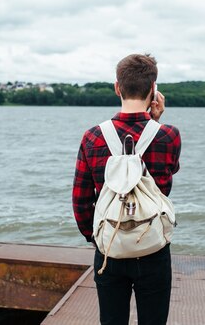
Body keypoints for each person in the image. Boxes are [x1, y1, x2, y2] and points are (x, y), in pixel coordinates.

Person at [72, 53, 181, 325]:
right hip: (152, 245)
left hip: (109, 247)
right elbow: (166, 181)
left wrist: (95, 237)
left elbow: (81, 200)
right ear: (153, 89)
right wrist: (155, 121)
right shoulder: (168, 134)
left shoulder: (93, 136)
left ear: (117, 87)